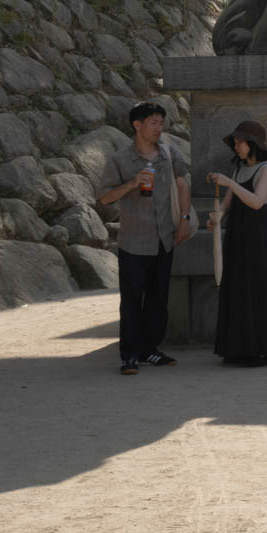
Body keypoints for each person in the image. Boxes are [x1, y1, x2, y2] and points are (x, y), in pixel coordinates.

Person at [96, 101, 194, 374]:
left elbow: (183, 184)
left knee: (158, 299)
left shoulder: (169, 154)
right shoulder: (120, 160)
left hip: (165, 237)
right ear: (137, 125)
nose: (159, 128)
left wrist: (184, 219)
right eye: (154, 123)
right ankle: (129, 355)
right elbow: (104, 197)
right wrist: (131, 183)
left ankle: (150, 350)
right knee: (131, 300)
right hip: (134, 241)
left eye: (161, 123)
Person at [208, 119, 267, 366]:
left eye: (241, 142)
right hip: (239, 238)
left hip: (261, 239)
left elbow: (257, 201)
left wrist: (228, 182)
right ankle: (238, 348)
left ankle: (262, 349)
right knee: (239, 289)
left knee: (260, 289)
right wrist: (216, 217)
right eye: (235, 142)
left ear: (254, 144)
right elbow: (228, 205)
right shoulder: (239, 170)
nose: (236, 146)